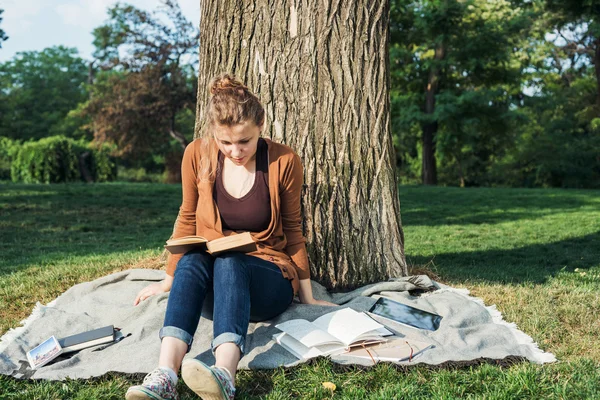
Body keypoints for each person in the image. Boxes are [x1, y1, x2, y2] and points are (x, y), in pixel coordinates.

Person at [125, 74, 335, 400]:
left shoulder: (284, 161)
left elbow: (294, 230)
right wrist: (168, 281)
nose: (235, 151)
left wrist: (306, 297)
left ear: (261, 125)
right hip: (216, 292)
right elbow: (188, 217)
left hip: (267, 282)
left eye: (244, 141)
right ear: (212, 133)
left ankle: (224, 374)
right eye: (225, 143)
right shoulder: (197, 154)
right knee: (196, 257)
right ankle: (165, 375)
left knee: (230, 259)